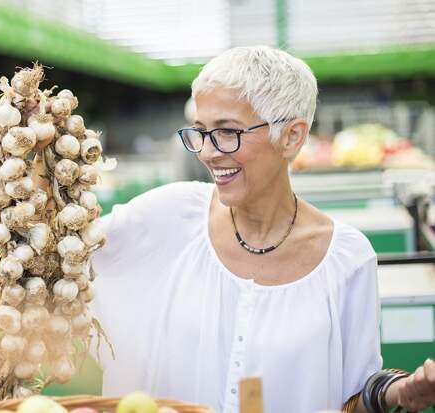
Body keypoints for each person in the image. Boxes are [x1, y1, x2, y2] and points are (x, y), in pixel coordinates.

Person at [89, 46, 435, 412]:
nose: (207, 153)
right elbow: (62, 256)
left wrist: (398, 393)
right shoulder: (170, 216)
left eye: (227, 132)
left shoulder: (347, 258)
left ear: (291, 137)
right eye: (201, 132)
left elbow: (353, 396)